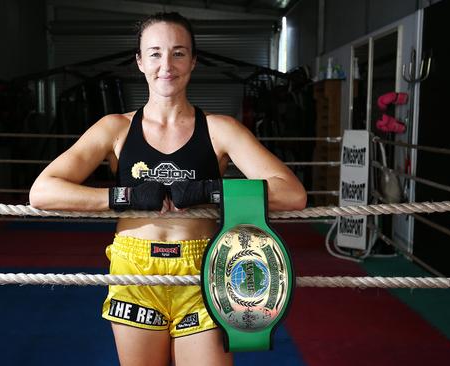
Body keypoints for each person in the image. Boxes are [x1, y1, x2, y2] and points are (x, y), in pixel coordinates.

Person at [29, 12, 306, 366]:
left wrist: (213, 190)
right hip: (135, 269)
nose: (167, 65)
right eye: (156, 53)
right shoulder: (114, 128)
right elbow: (43, 191)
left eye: (178, 53)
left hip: (202, 268)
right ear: (140, 61)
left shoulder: (221, 129)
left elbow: (292, 193)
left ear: (193, 60)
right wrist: (122, 198)